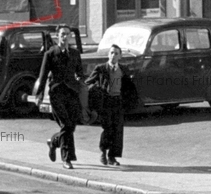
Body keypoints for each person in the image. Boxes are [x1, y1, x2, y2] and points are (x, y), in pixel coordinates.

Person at [34, 26, 85, 169]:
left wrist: (81, 81)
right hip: (57, 94)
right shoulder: (50, 54)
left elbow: (80, 72)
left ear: (70, 37)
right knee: (66, 124)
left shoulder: (75, 53)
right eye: (62, 34)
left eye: (67, 34)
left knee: (71, 126)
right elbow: (43, 76)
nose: (65, 37)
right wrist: (39, 94)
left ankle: (54, 142)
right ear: (57, 36)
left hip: (72, 93)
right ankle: (66, 159)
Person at [85, 44, 138, 166]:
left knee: (118, 130)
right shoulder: (101, 68)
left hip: (118, 101)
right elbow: (88, 83)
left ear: (120, 56)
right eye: (112, 53)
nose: (113, 55)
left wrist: (129, 101)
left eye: (116, 53)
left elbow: (128, 87)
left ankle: (112, 157)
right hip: (105, 102)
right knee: (107, 128)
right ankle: (103, 151)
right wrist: (96, 91)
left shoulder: (123, 69)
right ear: (108, 54)